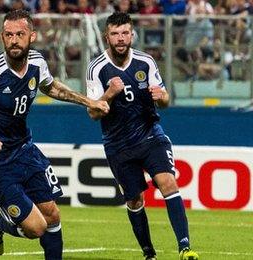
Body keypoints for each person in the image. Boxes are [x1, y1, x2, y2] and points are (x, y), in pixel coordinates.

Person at [0, 10, 109, 259]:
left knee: (52, 214)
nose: (14, 40)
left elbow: (50, 86)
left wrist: (88, 101)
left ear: (31, 36)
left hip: (25, 151)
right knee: (36, 228)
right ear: (2, 37)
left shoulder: (37, 62)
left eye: (20, 34)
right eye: (8, 35)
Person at [85, 12, 199, 260]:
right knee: (135, 200)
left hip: (149, 136)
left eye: (125, 33)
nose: (121, 38)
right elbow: (93, 112)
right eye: (115, 34)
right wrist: (109, 93)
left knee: (167, 182)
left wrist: (163, 96)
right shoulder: (97, 68)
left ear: (132, 34)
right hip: (118, 145)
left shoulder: (145, 62)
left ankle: (185, 248)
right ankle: (149, 253)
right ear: (107, 37)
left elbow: (165, 100)